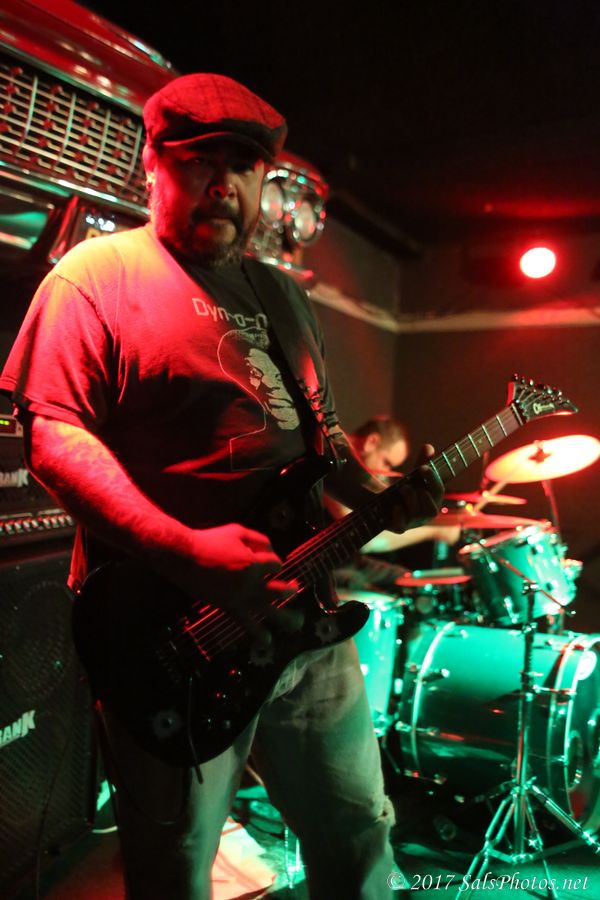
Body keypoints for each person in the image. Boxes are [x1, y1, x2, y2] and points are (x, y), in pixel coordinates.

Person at [0, 73, 445, 900]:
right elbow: (55, 441)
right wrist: (186, 551)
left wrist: (376, 492)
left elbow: (321, 437)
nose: (225, 184)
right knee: (175, 866)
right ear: (153, 164)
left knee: (359, 833)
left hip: (305, 624)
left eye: (244, 167)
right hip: (176, 637)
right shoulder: (97, 275)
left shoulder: (282, 295)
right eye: (201, 161)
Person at [327, 415, 461, 592]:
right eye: (386, 463)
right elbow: (364, 539)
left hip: (348, 561)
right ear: (371, 442)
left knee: (411, 582)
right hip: (324, 568)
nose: (386, 472)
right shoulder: (330, 457)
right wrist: (436, 531)